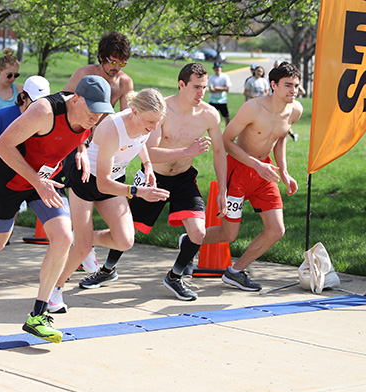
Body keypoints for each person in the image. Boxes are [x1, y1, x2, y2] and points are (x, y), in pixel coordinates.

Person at [0, 75, 114, 344]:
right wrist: (36, 181)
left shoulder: (88, 117)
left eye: (101, 112)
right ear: (76, 99)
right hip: (11, 177)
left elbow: (76, 136)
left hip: (45, 180)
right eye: (92, 110)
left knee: (64, 238)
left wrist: (81, 151)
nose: (95, 118)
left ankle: (38, 314)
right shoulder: (44, 111)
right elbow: (1, 146)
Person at [92, 63, 228, 301]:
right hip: (153, 177)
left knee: (198, 233)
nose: (201, 93)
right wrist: (188, 150)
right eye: (196, 87)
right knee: (127, 229)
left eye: (204, 88)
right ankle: (107, 269)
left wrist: (223, 190)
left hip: (184, 178)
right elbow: (150, 152)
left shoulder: (210, 115)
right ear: (181, 84)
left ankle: (174, 277)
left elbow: (219, 152)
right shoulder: (162, 110)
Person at [50, 89, 170, 313]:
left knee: (125, 241)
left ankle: (82, 238)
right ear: (134, 112)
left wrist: (148, 165)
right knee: (82, 248)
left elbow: (141, 141)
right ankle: (54, 290)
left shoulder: (143, 123)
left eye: (157, 123)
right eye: (150, 122)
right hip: (87, 180)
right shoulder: (111, 128)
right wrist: (139, 192)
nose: (154, 128)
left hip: (114, 180)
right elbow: (102, 184)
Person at [199, 61, 303, 291]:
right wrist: (255, 165)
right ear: (273, 85)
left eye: (296, 85)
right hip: (238, 169)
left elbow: (280, 138)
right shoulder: (253, 108)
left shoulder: (295, 110)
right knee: (229, 234)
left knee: (276, 230)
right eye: (288, 85)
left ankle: (235, 271)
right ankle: (190, 241)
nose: (293, 91)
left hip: (264, 171)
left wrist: (284, 171)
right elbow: (226, 141)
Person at [0, 76, 51, 281]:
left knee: (4, 228)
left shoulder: (43, 119)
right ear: (23, 97)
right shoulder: (1, 116)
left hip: (18, 177)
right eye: (34, 102)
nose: (39, 107)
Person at [63, 32, 134, 111]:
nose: (117, 67)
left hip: (103, 123)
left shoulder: (125, 82)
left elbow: (126, 115)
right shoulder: (84, 74)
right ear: (101, 57)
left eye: (122, 64)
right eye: (113, 62)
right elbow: (62, 101)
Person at [208, 61, 232, 125]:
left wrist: (216, 88)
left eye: (219, 67)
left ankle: (227, 130)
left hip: (222, 100)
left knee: (226, 117)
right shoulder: (211, 77)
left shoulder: (225, 77)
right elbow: (211, 90)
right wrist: (222, 88)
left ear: (221, 68)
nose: (218, 69)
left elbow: (227, 89)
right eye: (216, 68)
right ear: (214, 69)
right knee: (211, 117)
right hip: (213, 100)